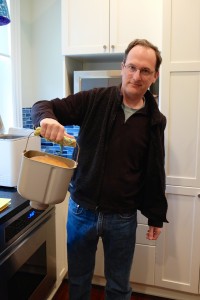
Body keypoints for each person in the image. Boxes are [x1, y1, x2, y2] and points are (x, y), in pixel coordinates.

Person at [31, 39, 168, 300]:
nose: (136, 76)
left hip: (123, 217)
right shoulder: (94, 99)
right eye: (132, 67)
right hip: (82, 211)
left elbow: (154, 170)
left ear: (155, 76)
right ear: (122, 67)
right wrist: (47, 118)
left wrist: (156, 215)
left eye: (145, 71)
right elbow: (43, 105)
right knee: (80, 282)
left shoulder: (155, 120)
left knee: (119, 286)